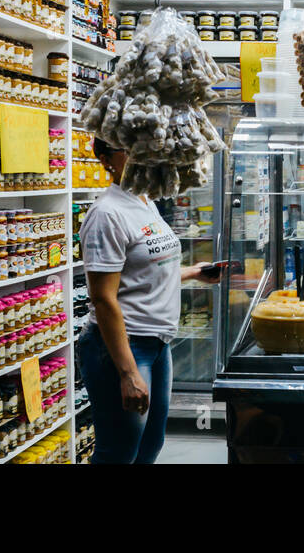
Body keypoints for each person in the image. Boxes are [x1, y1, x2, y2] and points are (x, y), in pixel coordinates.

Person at [77, 137, 223, 463]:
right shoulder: (106, 214)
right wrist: (128, 373)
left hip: (157, 343)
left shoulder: (145, 202)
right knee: (118, 452)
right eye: (129, 149)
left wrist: (193, 272)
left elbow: (147, 269)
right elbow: (103, 298)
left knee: (149, 446)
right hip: (121, 347)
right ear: (105, 159)